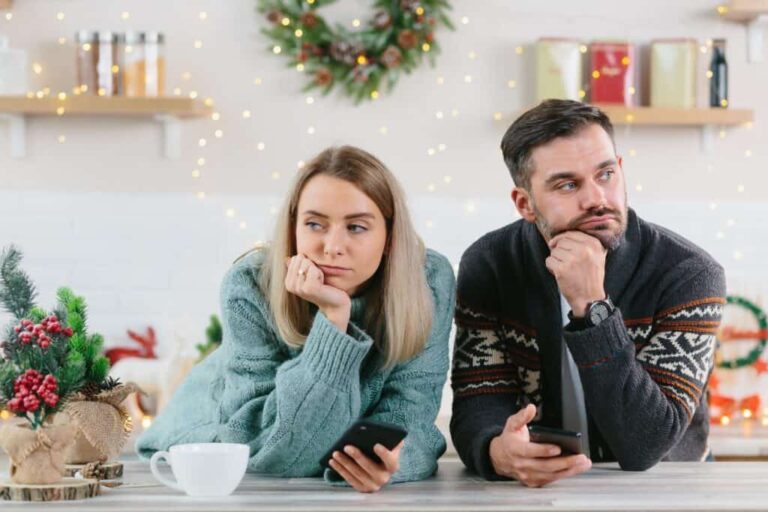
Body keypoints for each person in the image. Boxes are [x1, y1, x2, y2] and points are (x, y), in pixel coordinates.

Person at [137, 146, 456, 493]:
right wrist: (334, 317)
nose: (332, 246)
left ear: (390, 238)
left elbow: (414, 416)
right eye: (315, 224)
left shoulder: (429, 281)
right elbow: (283, 449)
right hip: (217, 429)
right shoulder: (249, 285)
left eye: (357, 227)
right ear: (293, 228)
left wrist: (388, 462)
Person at [450, 99, 725, 487]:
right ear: (525, 203)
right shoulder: (491, 265)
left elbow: (647, 445)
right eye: (567, 184)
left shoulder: (688, 275)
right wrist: (498, 451)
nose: (596, 198)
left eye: (606, 174)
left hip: (669, 489)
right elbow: (477, 405)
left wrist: (592, 306)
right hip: (538, 490)